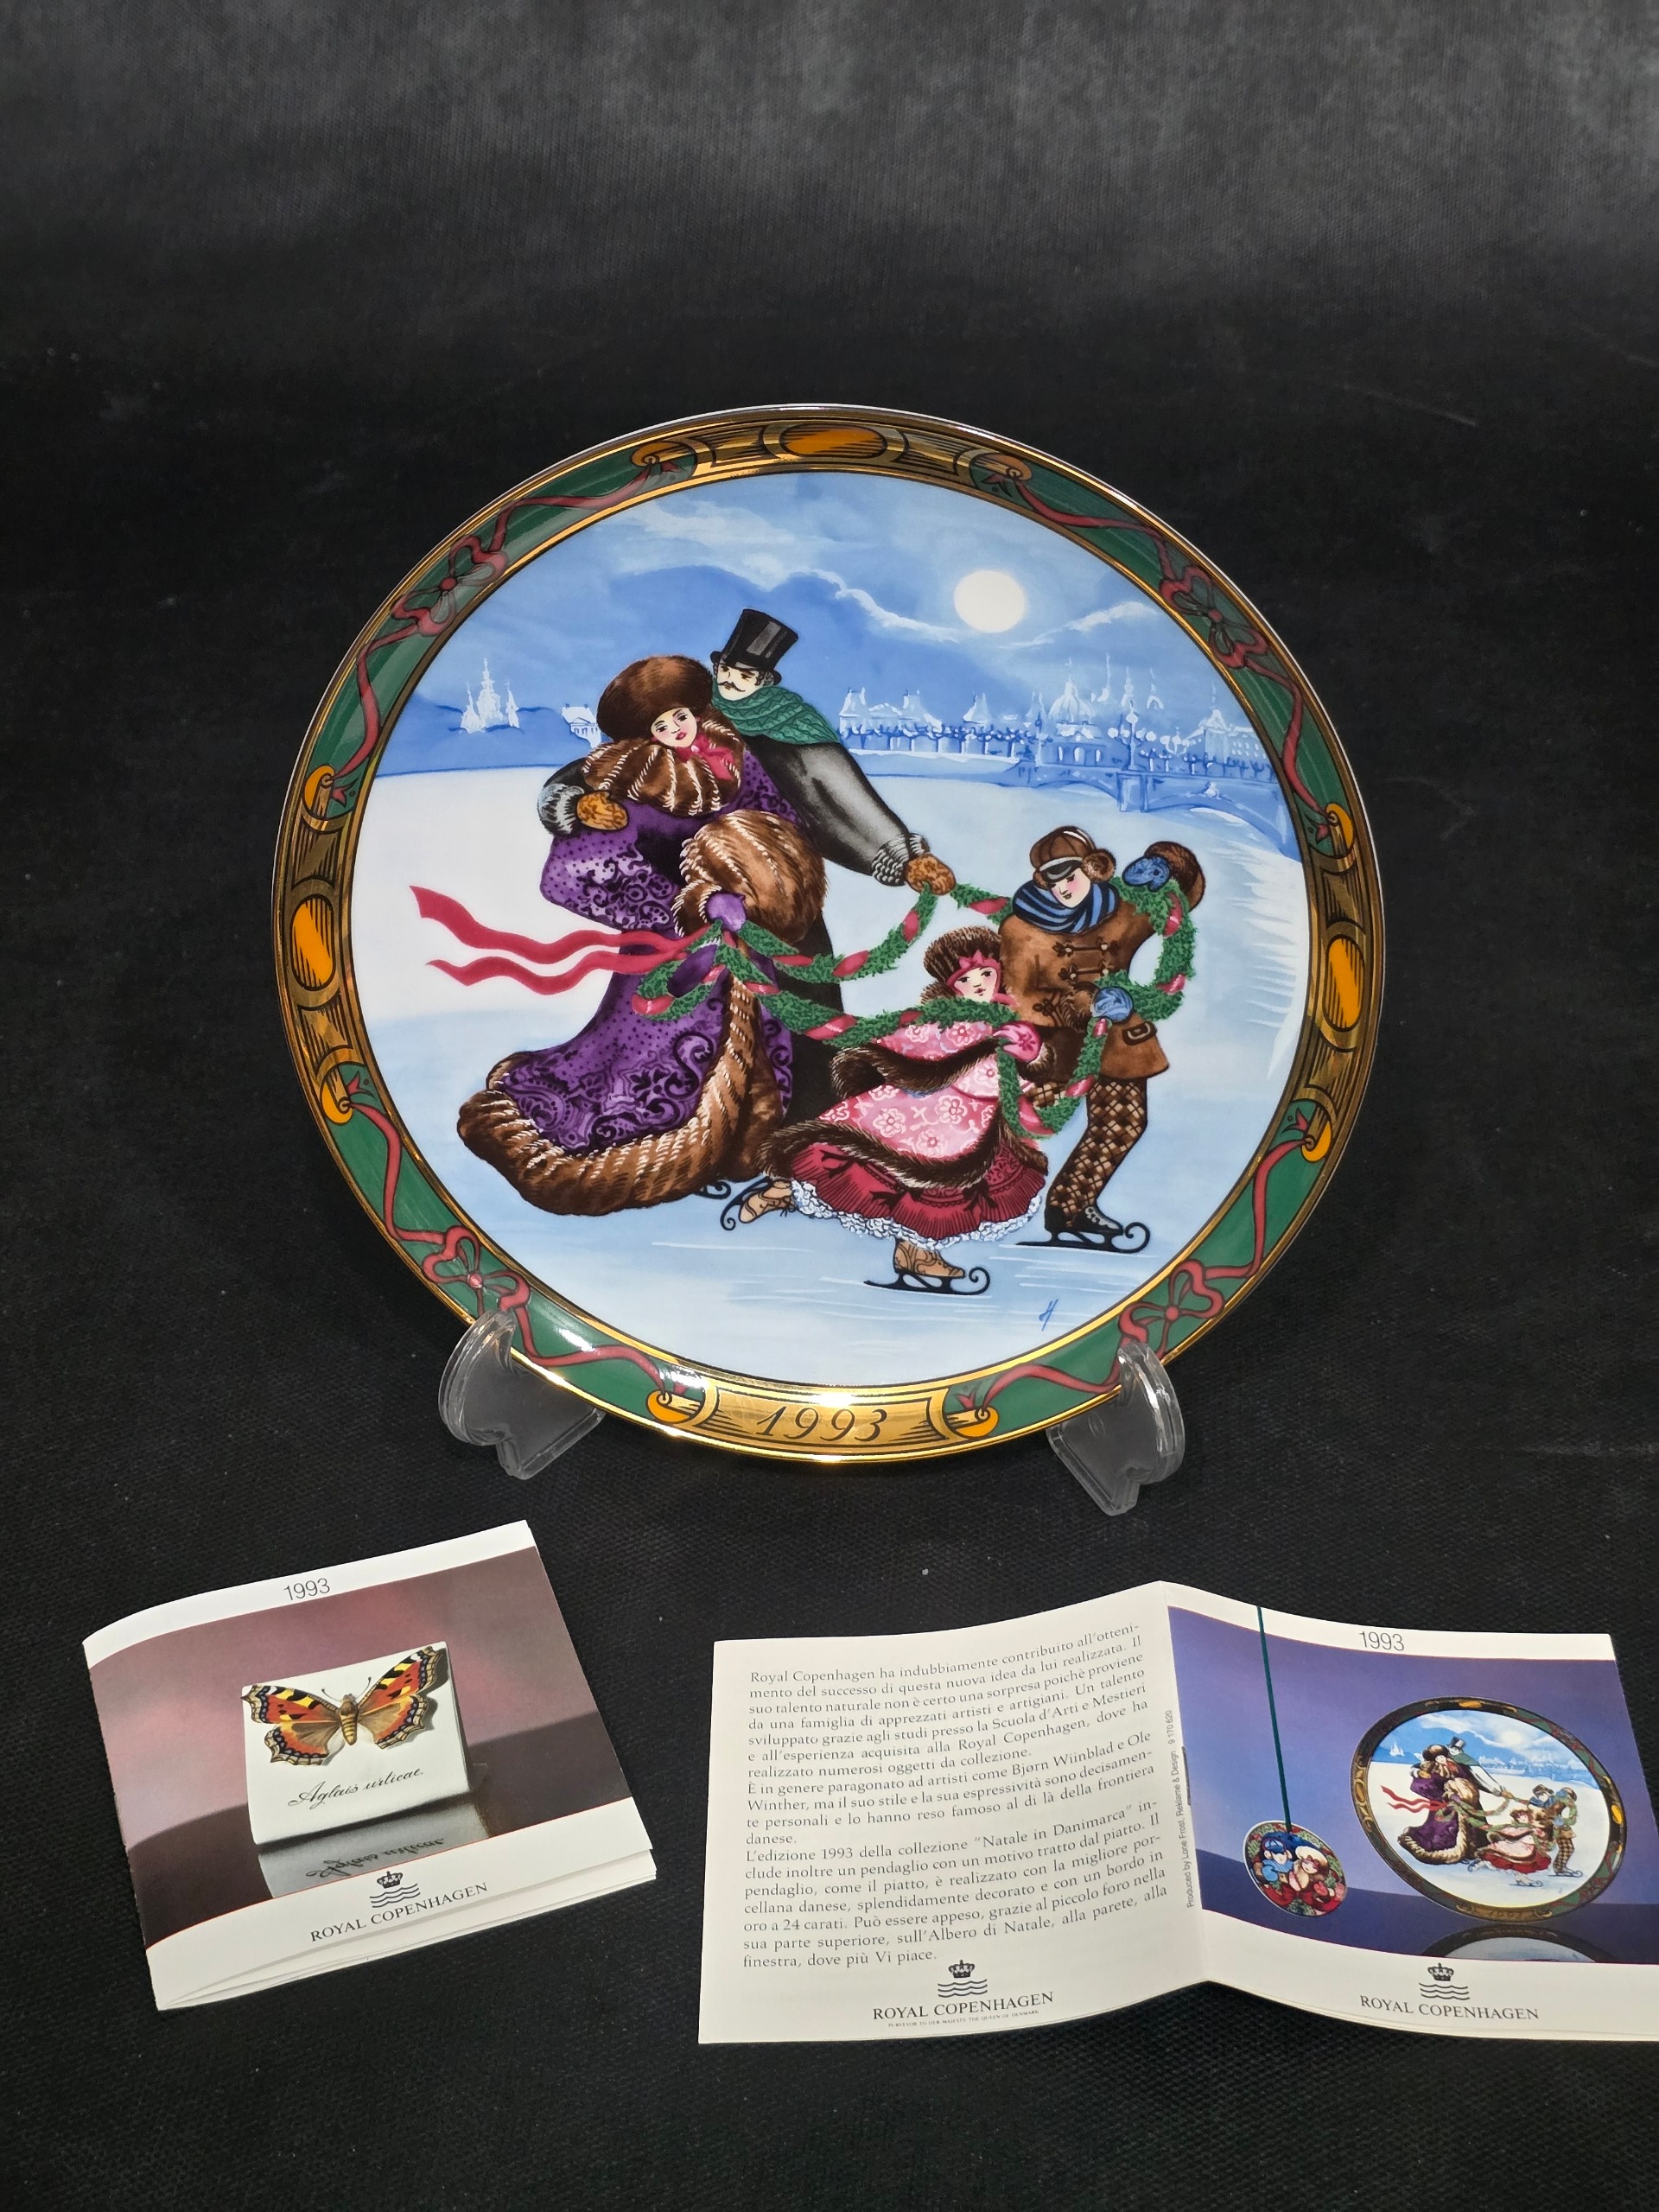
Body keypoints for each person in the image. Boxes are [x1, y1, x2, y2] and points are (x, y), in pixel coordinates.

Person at [540, 610, 956, 1124]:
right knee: (678, 1044)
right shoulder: (640, 760)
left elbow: (835, 799)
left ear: (767, 680)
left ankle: (810, 1118)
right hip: (684, 923)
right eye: (727, 671)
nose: (734, 683)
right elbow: (579, 798)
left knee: (802, 1010)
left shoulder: (763, 736)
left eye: (747, 675)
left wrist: (899, 854)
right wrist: (579, 809)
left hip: (776, 902)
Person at [459, 655, 824, 1214]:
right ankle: (663, 1152)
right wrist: (685, 907)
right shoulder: (627, 781)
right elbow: (570, 875)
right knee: (657, 1058)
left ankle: (738, 1151)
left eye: (681, 715)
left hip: (746, 937)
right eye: (660, 724)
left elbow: (779, 827)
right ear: (643, 733)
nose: (676, 729)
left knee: (757, 1049)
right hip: (669, 949)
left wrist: (765, 885)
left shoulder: (736, 761)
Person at [738, 925, 1047, 1289]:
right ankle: (783, 1191)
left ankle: (916, 1253)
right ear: (952, 985)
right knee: (866, 1165)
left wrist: (1031, 1056)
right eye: (966, 979)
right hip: (922, 1117)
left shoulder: (1007, 1020)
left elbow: (1020, 1072)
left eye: (985, 974)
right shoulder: (944, 1019)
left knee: (937, 1195)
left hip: (974, 1126)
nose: (978, 984)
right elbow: (916, 1047)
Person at [997, 825, 1205, 1247]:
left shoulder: (1123, 909)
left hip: (1118, 1042)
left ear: (1094, 869)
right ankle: (970, 1206)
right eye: (1052, 879)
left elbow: (1177, 906)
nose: (1063, 888)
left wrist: (1165, 866)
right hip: (1055, 1047)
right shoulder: (1019, 929)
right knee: (1015, 1126)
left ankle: (1070, 1209)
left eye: (1071, 875)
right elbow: (1020, 997)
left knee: (1123, 1123)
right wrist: (1077, 1005)